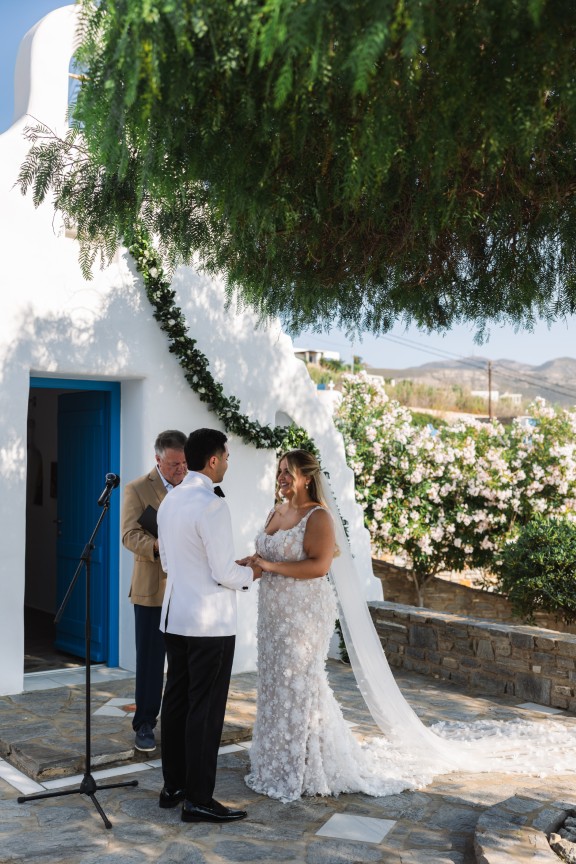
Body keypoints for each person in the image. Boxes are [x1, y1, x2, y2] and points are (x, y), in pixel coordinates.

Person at [245, 449, 576, 803]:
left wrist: (270, 566)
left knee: (299, 683)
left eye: (288, 471)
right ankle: (274, 759)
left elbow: (319, 566)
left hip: (303, 616)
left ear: (307, 477)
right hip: (273, 615)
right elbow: (268, 558)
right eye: (280, 470)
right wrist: (251, 566)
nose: (281, 477)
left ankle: (306, 764)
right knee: (274, 681)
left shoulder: (318, 517)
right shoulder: (276, 511)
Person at [157, 428, 261, 823]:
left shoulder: (170, 499)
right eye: (227, 458)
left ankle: (174, 787)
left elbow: (169, 563)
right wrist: (253, 573)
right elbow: (222, 572)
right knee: (205, 709)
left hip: (175, 616)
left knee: (176, 702)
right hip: (209, 624)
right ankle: (199, 799)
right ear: (214, 460)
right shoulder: (212, 505)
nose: (228, 464)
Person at [121, 429, 187, 752]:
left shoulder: (193, 487)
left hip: (186, 589)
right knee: (150, 661)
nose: (181, 470)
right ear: (158, 460)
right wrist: (158, 545)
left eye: (184, 463)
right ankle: (145, 723)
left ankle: (178, 722)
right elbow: (129, 535)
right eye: (174, 464)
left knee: (182, 661)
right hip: (151, 589)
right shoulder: (136, 489)